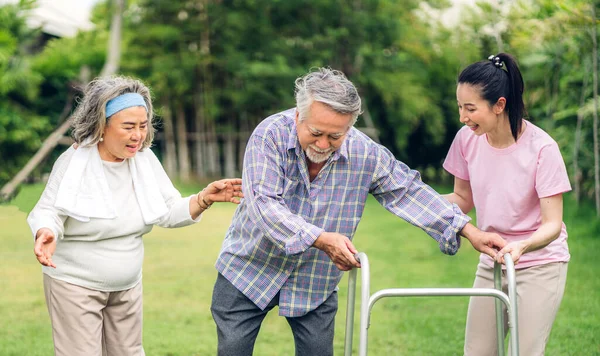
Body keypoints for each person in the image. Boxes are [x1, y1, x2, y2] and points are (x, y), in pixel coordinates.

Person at [210, 67, 506, 356]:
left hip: (314, 280)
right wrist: (322, 239)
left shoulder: (366, 153)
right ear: (298, 116)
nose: (324, 144)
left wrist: (468, 230)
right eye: (316, 132)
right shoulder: (269, 136)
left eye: (336, 136)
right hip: (249, 270)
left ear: (350, 126)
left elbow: (408, 191)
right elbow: (264, 204)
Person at [27, 76, 243, 356]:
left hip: (127, 285)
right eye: (128, 127)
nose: (138, 135)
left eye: (143, 126)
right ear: (102, 125)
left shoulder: (144, 160)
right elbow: (49, 210)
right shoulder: (74, 161)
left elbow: (167, 210)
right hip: (75, 284)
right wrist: (46, 231)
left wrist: (203, 198)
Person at [443, 53, 571, 355]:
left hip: (540, 263)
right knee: (477, 352)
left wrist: (523, 246)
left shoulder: (542, 148)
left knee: (524, 351)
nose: (463, 116)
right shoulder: (466, 139)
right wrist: (418, 202)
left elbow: (552, 224)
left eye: (471, 108)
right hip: (492, 261)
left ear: (499, 105)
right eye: (460, 106)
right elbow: (462, 199)